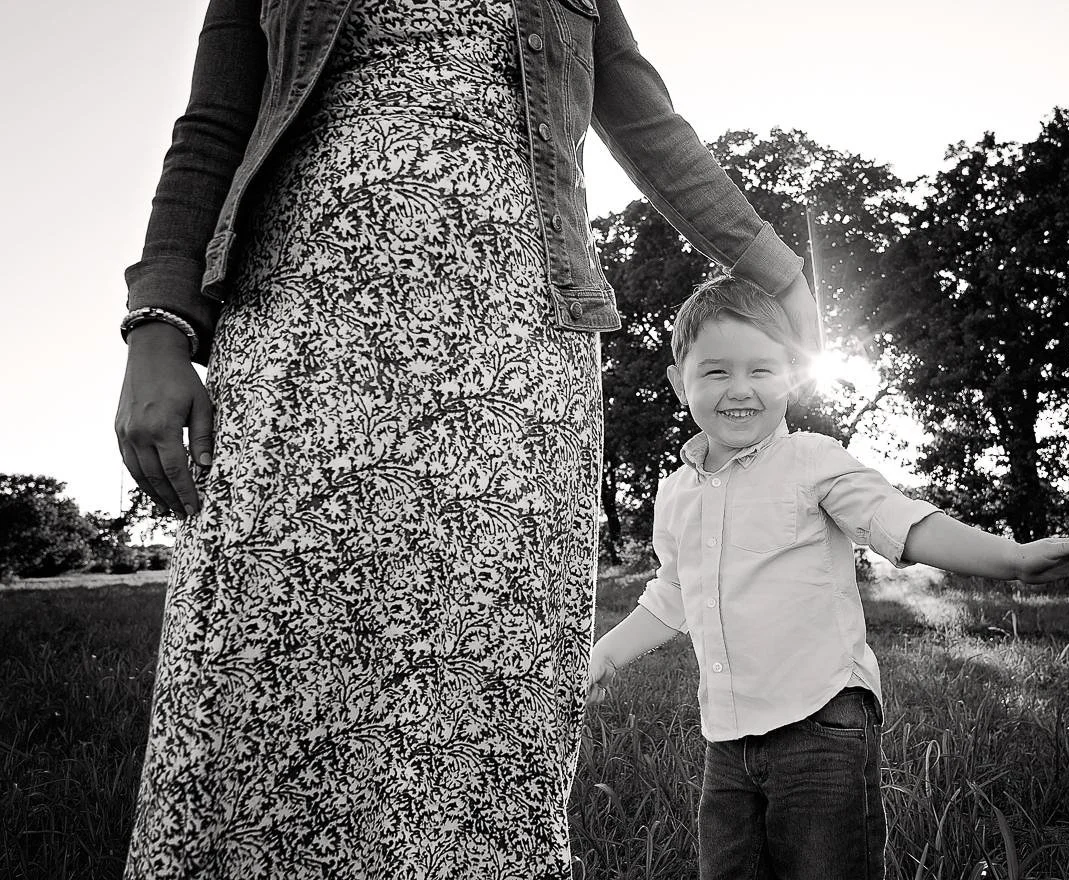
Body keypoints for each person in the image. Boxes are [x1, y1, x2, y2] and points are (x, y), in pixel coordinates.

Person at [113, 0, 821, 877]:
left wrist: (781, 273)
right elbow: (213, 123)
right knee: (260, 649)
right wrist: (158, 321)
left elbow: (651, 127)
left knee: (485, 669)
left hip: (519, 343)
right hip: (303, 313)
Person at [584, 276, 1069, 880]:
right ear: (681, 383)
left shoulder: (812, 460)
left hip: (822, 723)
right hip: (727, 736)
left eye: (762, 370)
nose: (741, 389)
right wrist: (606, 655)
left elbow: (901, 523)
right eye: (716, 371)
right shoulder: (677, 492)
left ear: (792, 376)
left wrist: (1013, 559)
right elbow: (673, 593)